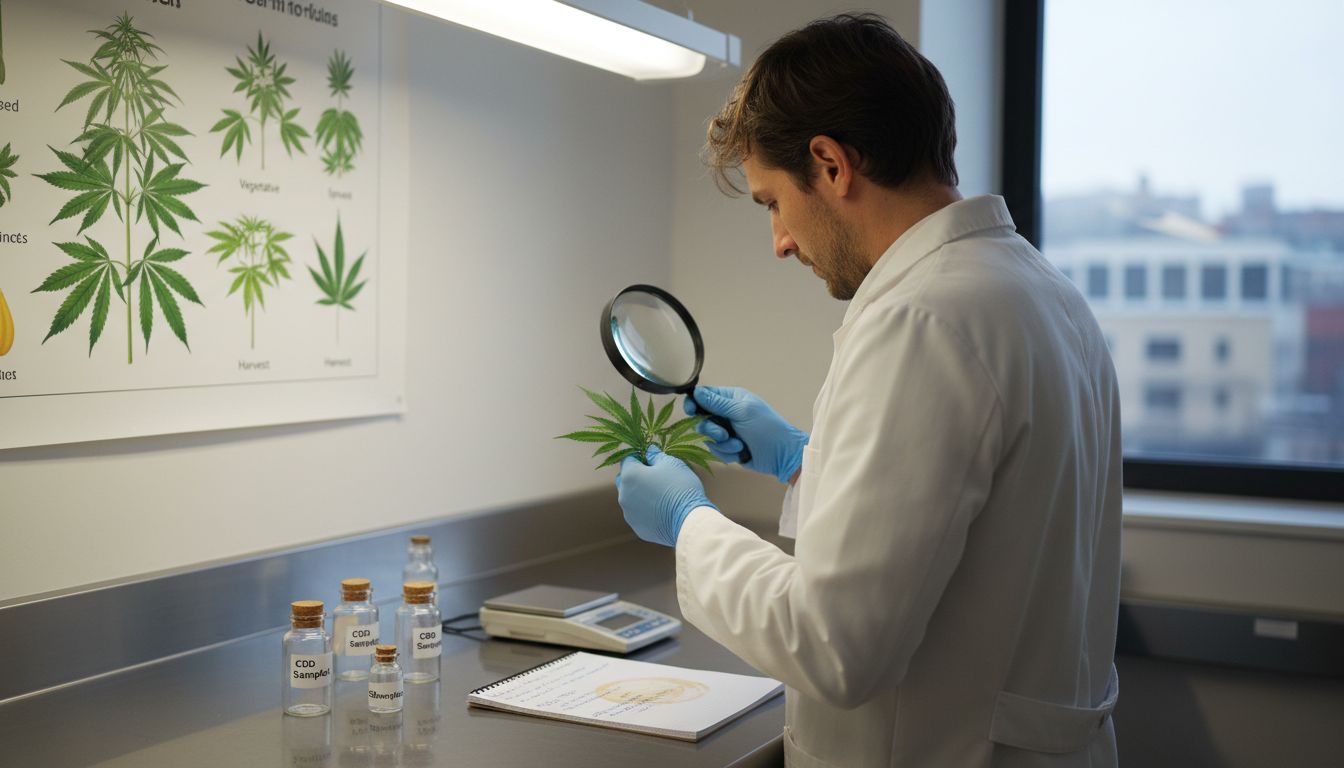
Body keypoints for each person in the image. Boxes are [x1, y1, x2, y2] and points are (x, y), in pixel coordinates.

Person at [614, 13, 1123, 768]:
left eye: (771, 203)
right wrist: (799, 461)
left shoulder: (924, 318)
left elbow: (834, 645)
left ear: (829, 164)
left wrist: (689, 523)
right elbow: (975, 515)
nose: (781, 241)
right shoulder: (1041, 291)